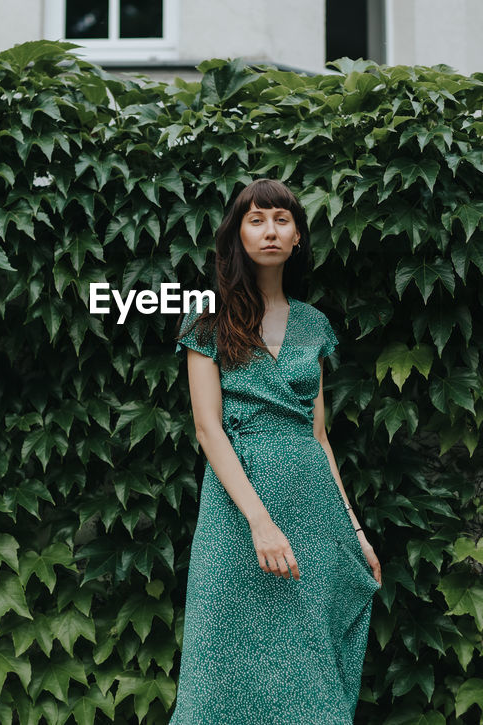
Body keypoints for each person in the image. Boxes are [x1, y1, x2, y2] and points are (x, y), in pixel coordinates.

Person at [169, 178, 383, 723]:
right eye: (256, 219)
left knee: (308, 671)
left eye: (282, 220)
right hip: (237, 515)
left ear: (298, 238)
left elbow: (318, 438)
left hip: (312, 512)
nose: (269, 230)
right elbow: (208, 430)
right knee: (219, 670)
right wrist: (261, 523)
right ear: (237, 235)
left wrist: (354, 531)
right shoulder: (208, 323)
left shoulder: (314, 325)